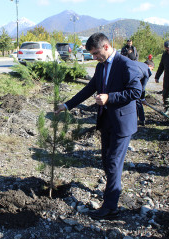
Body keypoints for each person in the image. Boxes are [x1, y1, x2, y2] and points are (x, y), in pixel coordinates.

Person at [55, 33, 142, 220]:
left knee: (113, 163)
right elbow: (89, 89)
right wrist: (68, 105)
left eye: (95, 53)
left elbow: (136, 91)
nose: (94, 57)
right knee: (107, 162)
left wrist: (110, 97)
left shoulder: (126, 64)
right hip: (106, 122)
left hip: (122, 123)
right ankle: (111, 196)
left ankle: (110, 207)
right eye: (92, 55)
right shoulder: (101, 67)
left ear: (106, 47)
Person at [136, 60, 154, 126]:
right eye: (152, 69)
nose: (151, 71)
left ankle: (137, 119)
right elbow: (142, 88)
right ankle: (141, 120)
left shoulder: (138, 64)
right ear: (149, 66)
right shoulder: (146, 71)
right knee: (137, 100)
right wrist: (143, 99)